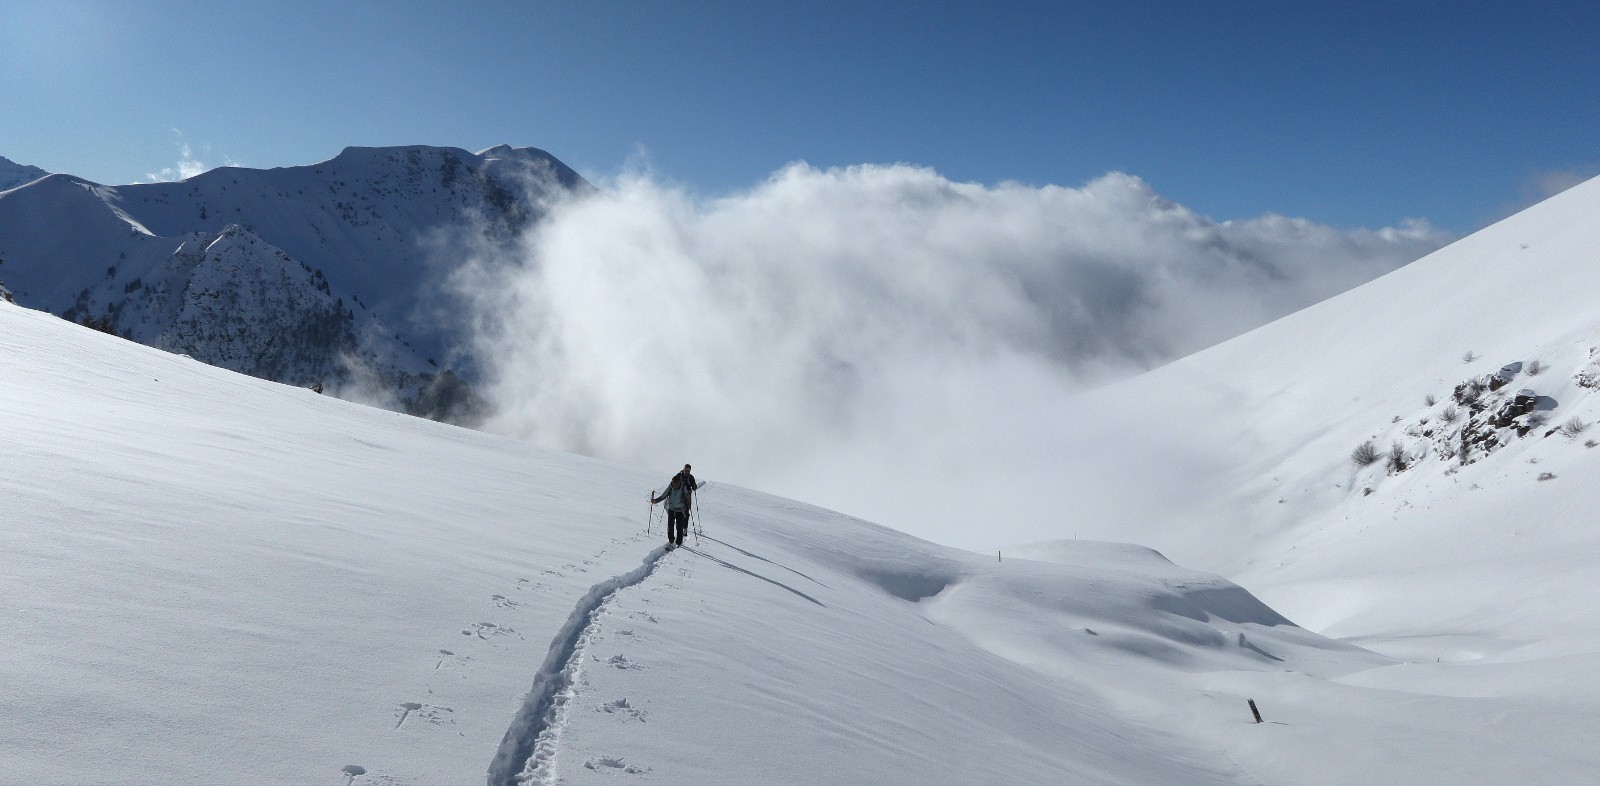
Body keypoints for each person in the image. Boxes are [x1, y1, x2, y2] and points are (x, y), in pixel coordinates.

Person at [651, 464, 697, 548]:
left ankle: (683, 532)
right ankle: (672, 540)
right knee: (671, 525)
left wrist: (693, 488)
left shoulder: (691, 478)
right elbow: (664, 495)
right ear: (683, 469)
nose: (687, 472)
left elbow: (694, 487)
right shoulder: (676, 478)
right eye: (686, 470)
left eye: (688, 471)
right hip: (672, 508)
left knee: (684, 517)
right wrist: (655, 501)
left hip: (683, 504)